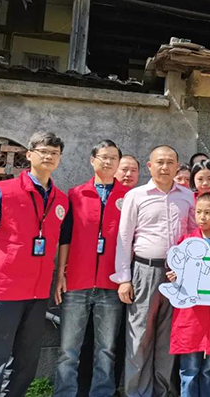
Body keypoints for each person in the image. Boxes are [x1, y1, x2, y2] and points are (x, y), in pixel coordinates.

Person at [0, 132, 69, 397]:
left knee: (26, 362)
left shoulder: (60, 199)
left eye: (54, 153)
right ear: (29, 154)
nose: (48, 156)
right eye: (43, 151)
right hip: (3, 291)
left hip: (37, 292)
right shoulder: (6, 191)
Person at [111, 145, 197, 397]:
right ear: (149, 166)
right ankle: (136, 392)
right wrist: (124, 278)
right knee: (139, 335)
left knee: (167, 336)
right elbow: (124, 238)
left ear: (177, 166)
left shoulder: (187, 196)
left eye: (170, 162)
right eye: (160, 162)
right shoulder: (136, 196)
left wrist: (188, 272)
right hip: (144, 271)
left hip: (176, 275)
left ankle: (162, 390)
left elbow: (193, 235)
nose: (165, 167)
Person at [54, 140, 129, 397]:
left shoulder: (129, 197)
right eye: (103, 157)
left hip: (111, 283)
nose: (108, 162)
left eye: (113, 158)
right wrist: (61, 274)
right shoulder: (75, 195)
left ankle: (102, 393)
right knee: (68, 350)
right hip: (77, 281)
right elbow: (65, 237)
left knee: (106, 349)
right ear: (92, 160)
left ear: (118, 163)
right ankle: (64, 393)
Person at [168, 193, 210, 397]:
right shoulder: (186, 242)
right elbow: (177, 270)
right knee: (189, 371)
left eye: (208, 212)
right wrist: (175, 275)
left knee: (208, 370)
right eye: (199, 212)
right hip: (192, 316)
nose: (202, 217)